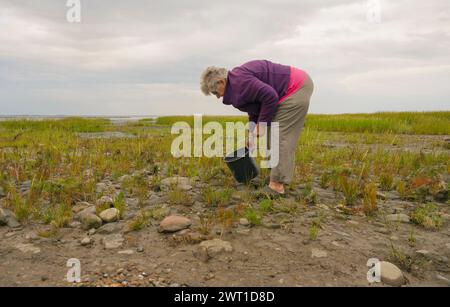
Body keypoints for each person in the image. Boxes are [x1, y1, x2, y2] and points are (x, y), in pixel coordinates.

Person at [200, 60, 314, 197]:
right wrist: (251, 134)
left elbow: (270, 96)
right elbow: (255, 109)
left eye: (215, 92)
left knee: (280, 136)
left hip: (295, 87)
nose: (218, 97)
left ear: (221, 82)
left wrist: (262, 124)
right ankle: (274, 175)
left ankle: (277, 185)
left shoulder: (240, 82)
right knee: (272, 134)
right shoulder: (236, 87)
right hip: (285, 91)